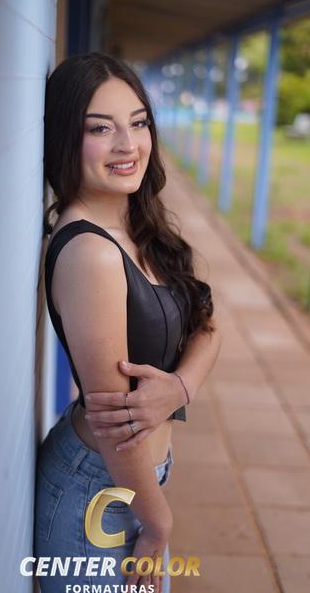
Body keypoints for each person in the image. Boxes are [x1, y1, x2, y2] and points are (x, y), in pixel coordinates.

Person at [34, 51, 221, 593]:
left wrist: (178, 388)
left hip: (135, 485)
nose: (128, 145)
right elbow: (114, 422)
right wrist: (158, 523)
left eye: (138, 124)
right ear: (66, 140)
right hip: (98, 494)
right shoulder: (90, 253)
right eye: (100, 129)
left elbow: (209, 325)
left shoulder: (138, 225)